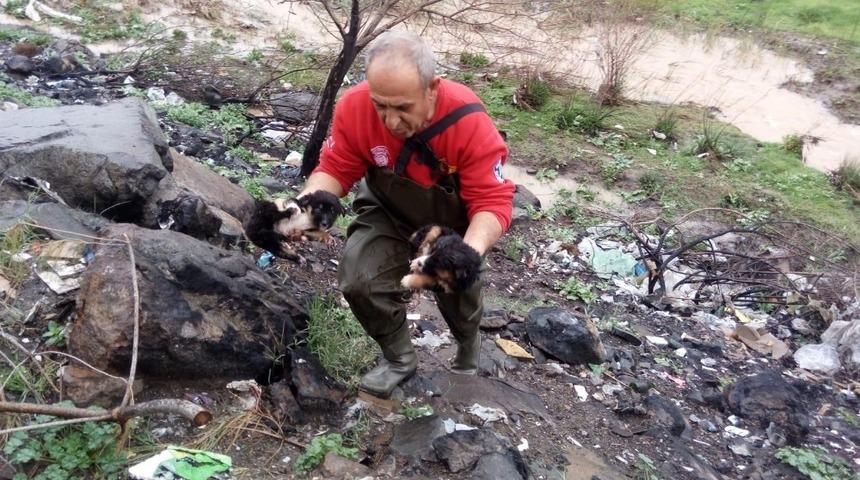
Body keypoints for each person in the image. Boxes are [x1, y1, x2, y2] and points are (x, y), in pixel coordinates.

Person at [298, 30, 515, 398]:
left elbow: (492, 202)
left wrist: (468, 252)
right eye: (381, 105)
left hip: (451, 223)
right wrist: (304, 207)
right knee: (358, 280)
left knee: (458, 286)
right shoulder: (354, 108)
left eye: (402, 108)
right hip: (387, 209)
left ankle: (467, 341)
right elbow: (335, 167)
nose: (390, 121)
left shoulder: (468, 122)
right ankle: (399, 358)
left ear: (432, 88)